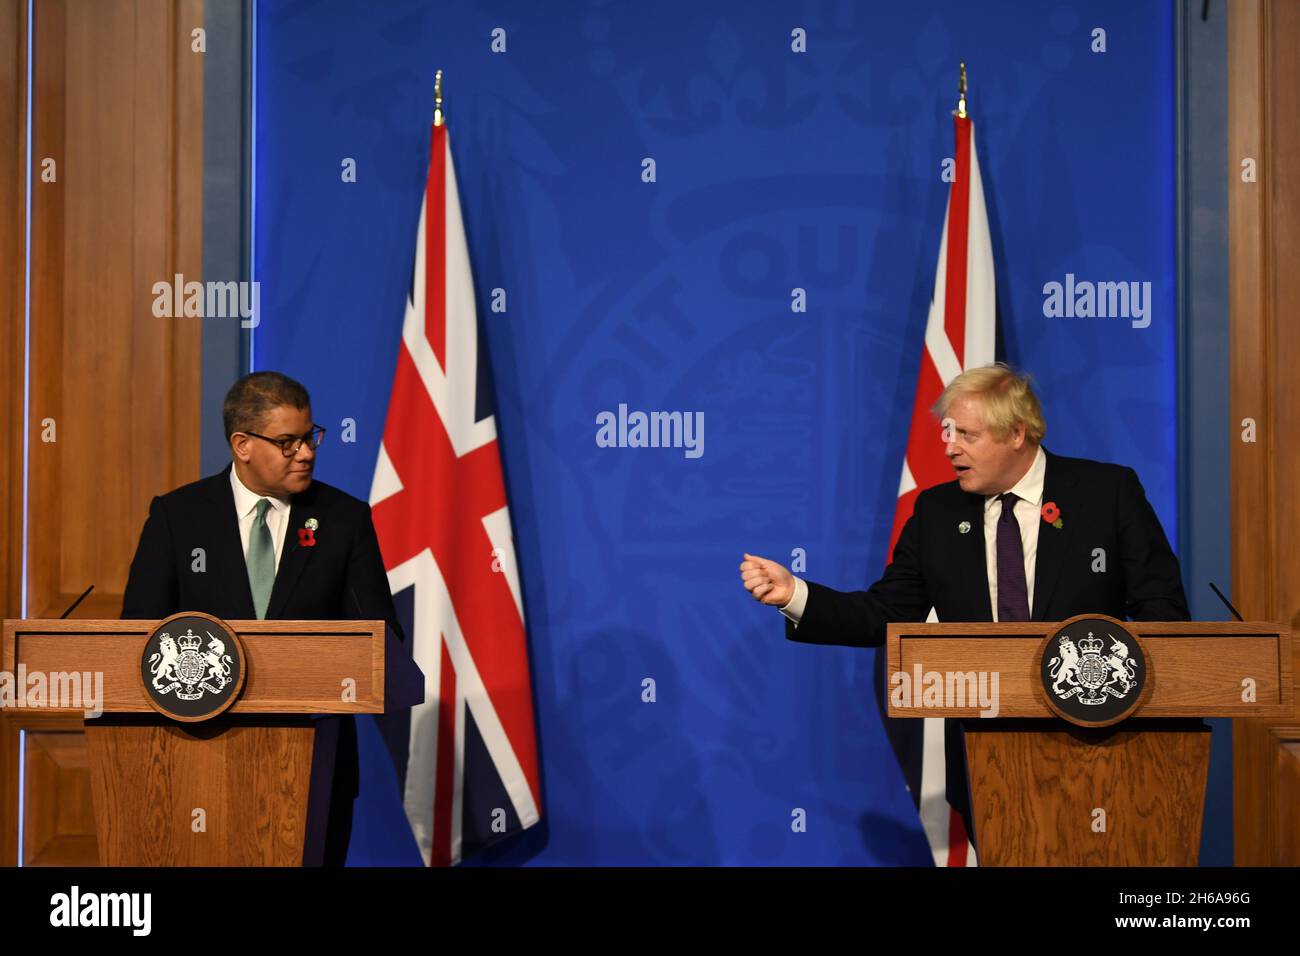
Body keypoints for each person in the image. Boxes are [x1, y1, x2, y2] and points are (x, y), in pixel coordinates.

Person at [738, 362, 1189, 847]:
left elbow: (1162, 611)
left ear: (1017, 434)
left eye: (966, 434)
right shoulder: (936, 512)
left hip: (1103, 750)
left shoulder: (1107, 494)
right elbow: (887, 614)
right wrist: (795, 595)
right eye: (947, 432)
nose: (949, 446)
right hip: (984, 760)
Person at [121, 370, 405, 866]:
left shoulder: (343, 519)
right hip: (197, 759)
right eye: (288, 441)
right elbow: (138, 637)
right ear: (242, 444)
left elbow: (383, 640)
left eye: (310, 436)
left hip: (316, 763)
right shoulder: (178, 516)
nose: (308, 453)